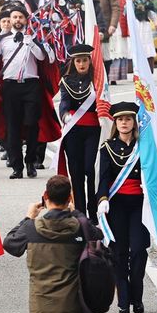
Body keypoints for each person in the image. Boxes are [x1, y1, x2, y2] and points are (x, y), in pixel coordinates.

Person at [3, 175, 101, 313]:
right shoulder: (79, 226)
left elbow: (10, 244)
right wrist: (76, 213)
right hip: (75, 308)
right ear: (70, 198)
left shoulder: (31, 229)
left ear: (45, 197)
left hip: (42, 310)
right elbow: (98, 236)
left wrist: (28, 217)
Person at [0, 5, 50, 179]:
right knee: (12, 127)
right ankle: (17, 166)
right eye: (14, 17)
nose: (17, 20)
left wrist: (31, 44)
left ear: (26, 20)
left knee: (32, 123)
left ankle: (31, 161)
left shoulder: (33, 37)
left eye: (20, 17)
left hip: (31, 85)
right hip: (10, 86)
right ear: (10, 20)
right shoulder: (3, 40)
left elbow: (42, 57)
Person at [96, 101, 149, 313]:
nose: (124, 123)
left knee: (138, 250)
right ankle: (124, 302)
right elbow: (103, 178)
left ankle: (137, 297)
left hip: (139, 205)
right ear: (115, 123)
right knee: (118, 253)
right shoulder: (107, 148)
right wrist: (102, 198)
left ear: (134, 122)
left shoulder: (144, 146)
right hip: (116, 205)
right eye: (120, 119)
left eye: (128, 119)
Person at [59, 44, 100, 219]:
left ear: (90, 61)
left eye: (84, 60)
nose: (81, 64)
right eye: (78, 61)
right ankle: (80, 213)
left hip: (93, 130)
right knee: (76, 173)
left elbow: (103, 102)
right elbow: (64, 102)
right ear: (73, 62)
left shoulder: (97, 79)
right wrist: (65, 115)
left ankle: (94, 209)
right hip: (73, 130)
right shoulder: (67, 81)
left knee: (90, 169)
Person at [89, 0, 120, 75]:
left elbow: (116, 8)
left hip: (104, 26)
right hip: (89, 25)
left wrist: (113, 25)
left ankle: (106, 77)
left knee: (105, 54)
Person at [127, 0, 157, 71]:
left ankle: (148, 70)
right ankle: (136, 70)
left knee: (146, 44)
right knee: (134, 45)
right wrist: (129, 1)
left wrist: (155, 22)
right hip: (134, 23)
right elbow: (126, 10)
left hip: (144, 23)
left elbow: (150, 9)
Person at [107, 0, 130, 84]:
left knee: (119, 50)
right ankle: (108, 76)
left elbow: (127, 13)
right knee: (109, 52)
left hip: (119, 28)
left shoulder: (122, 0)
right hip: (108, 27)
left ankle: (115, 77)